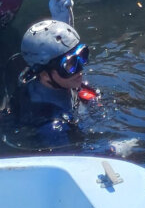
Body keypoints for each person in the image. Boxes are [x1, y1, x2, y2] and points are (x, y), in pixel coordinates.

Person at [3, 18, 97, 148]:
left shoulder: (59, 82)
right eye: (69, 65)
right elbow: (74, 160)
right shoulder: (51, 126)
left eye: (82, 57)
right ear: (44, 74)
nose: (80, 70)